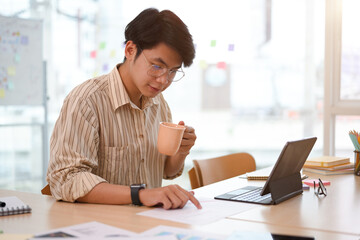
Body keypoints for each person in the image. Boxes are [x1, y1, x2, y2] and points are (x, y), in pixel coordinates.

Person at [46, 8, 201, 210]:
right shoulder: (87, 100)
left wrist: (181, 151)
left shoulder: (159, 104)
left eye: (172, 71)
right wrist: (141, 195)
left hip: (147, 223)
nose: (163, 80)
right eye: (156, 66)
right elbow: (66, 179)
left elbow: (165, 171)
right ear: (130, 50)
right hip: (100, 225)